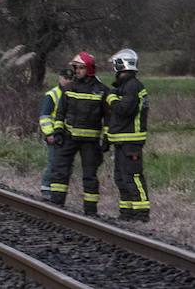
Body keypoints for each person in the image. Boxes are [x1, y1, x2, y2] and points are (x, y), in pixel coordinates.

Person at [51, 52, 110, 216]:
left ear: (89, 69)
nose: (76, 71)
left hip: (91, 142)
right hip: (68, 138)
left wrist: (106, 138)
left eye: (80, 68)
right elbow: (60, 113)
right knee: (60, 171)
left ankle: (90, 212)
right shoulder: (69, 89)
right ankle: (56, 206)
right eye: (75, 67)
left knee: (90, 176)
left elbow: (108, 118)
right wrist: (58, 131)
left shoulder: (102, 91)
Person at [106, 49, 151, 222]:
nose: (113, 68)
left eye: (115, 64)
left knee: (133, 176)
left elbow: (124, 110)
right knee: (121, 178)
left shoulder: (132, 86)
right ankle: (127, 213)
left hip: (131, 141)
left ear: (121, 64)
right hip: (122, 140)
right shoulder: (126, 86)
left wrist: (111, 98)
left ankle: (141, 213)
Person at [38, 68, 74, 200]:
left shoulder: (73, 93)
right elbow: (45, 117)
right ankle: (46, 187)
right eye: (65, 78)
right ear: (60, 78)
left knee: (66, 165)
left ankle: (57, 191)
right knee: (54, 162)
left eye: (70, 78)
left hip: (68, 135)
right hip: (54, 135)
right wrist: (49, 134)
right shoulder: (52, 94)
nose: (67, 81)